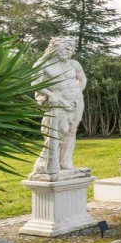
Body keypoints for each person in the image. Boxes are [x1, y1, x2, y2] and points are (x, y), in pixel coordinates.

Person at [29, 37, 89, 180]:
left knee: (72, 131)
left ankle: (65, 161)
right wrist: (52, 96)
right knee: (57, 130)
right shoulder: (42, 64)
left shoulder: (74, 64)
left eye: (71, 49)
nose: (68, 52)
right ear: (56, 48)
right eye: (66, 48)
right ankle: (47, 161)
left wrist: (78, 92)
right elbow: (36, 84)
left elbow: (83, 79)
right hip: (58, 102)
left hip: (76, 102)